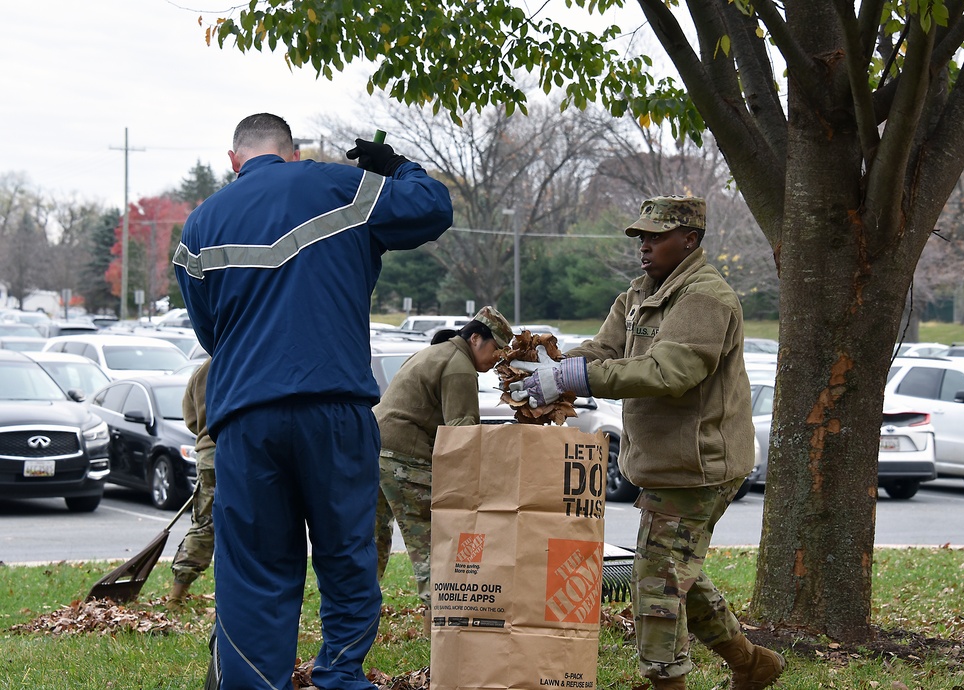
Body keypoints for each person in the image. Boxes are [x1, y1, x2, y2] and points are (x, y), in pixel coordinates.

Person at [173, 113, 452, 690]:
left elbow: (210, 335)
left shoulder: (200, 225)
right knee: (347, 554)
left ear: (234, 161)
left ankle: (252, 682)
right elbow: (432, 206)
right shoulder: (337, 185)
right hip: (334, 407)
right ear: (292, 153)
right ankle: (339, 677)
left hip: (246, 415)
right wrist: (394, 167)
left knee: (254, 568)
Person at [510, 196, 785, 690]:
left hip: (700, 467)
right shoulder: (640, 292)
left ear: (691, 240)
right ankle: (752, 664)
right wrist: (551, 368)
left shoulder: (706, 298)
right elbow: (604, 350)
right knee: (679, 574)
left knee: (656, 585)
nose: (644, 246)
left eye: (656, 237)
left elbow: (671, 371)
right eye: (641, 236)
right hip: (667, 464)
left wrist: (577, 377)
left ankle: (667, 681)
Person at [374, 307, 513, 633]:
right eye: (495, 349)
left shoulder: (434, 352)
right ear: (475, 338)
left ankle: (351, 631)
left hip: (374, 452)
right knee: (435, 550)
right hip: (405, 462)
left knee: (371, 546)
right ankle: (444, 633)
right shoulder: (459, 367)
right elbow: (463, 436)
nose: (497, 359)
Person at [166, 357, 215, 612]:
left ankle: (177, 595)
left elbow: (191, 419)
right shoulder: (245, 359)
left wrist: (205, 433)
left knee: (204, 525)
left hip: (207, 456)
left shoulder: (201, 370)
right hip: (237, 454)